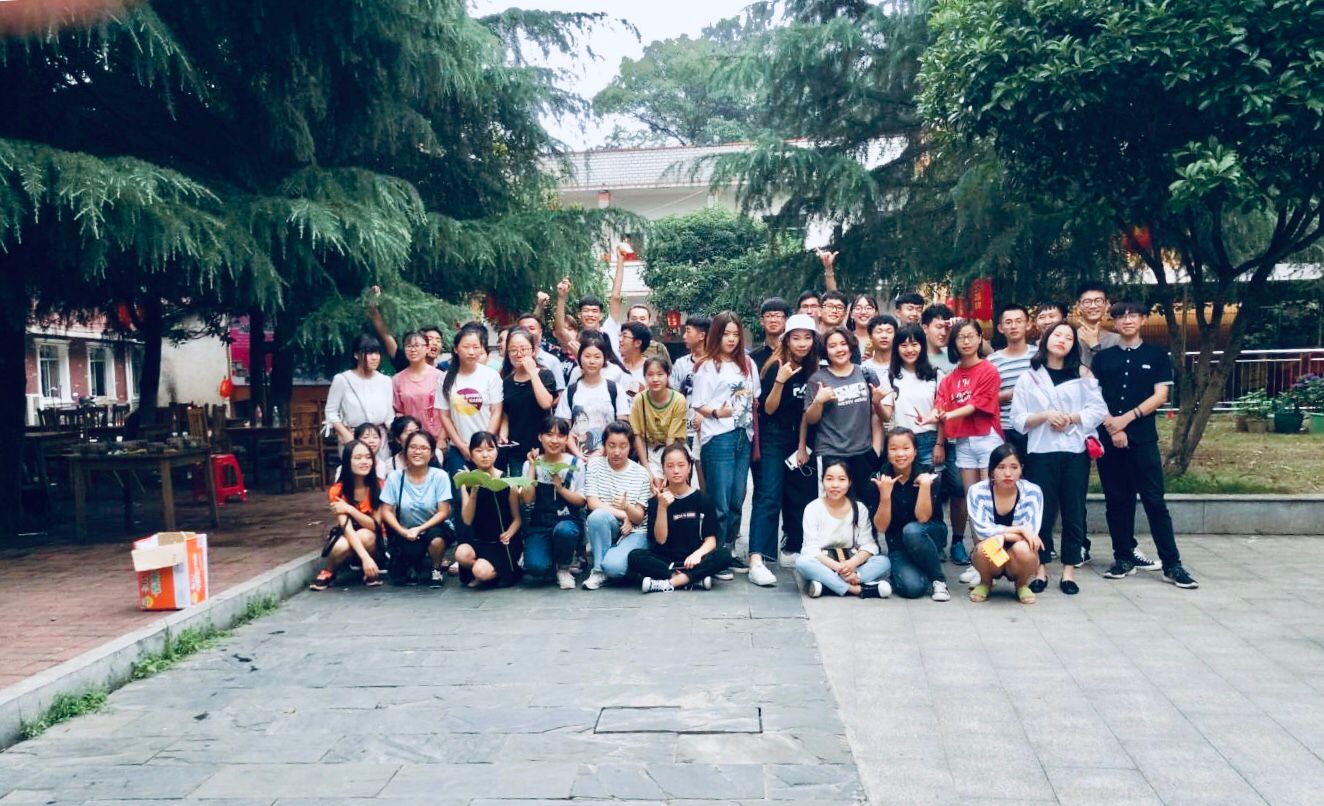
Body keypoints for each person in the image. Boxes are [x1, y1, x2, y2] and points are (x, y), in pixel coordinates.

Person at [1092, 301, 1198, 588]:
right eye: (1120, 317)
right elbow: (1093, 396)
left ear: (1143, 320)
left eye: (1133, 316)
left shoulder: (1157, 355)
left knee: (1154, 501)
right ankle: (1123, 557)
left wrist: (1126, 419)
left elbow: (1160, 395)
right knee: (1117, 501)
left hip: (1143, 438)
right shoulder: (1103, 358)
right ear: (1114, 322)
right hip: (1109, 438)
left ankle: (1172, 564)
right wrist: (1112, 426)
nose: (1127, 321)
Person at [1010, 322, 1108, 595]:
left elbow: (1098, 410)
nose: (1062, 340)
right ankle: (1039, 569)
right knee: (1041, 512)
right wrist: (1044, 416)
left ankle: (1069, 571)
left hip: (1074, 451)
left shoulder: (1083, 373)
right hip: (1041, 452)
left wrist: (1072, 418)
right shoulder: (1029, 377)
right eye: (1057, 335)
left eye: (1068, 337)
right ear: (1046, 339)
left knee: (1073, 510)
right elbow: (1017, 419)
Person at [920, 318, 1002, 577]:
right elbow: (940, 405)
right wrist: (932, 416)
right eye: (960, 337)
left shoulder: (989, 370)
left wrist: (945, 415)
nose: (966, 342)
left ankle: (997, 562)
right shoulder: (950, 378)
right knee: (974, 501)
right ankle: (980, 563)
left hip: (988, 438)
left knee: (990, 502)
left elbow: (976, 405)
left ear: (979, 338)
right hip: (964, 442)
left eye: (970, 336)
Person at [751, 314, 821, 585]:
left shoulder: (815, 368)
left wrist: (803, 445)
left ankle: (798, 549)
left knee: (802, 496)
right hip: (773, 436)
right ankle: (757, 558)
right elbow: (768, 409)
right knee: (769, 495)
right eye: (796, 338)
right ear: (787, 340)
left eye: (807, 337)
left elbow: (806, 412)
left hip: (801, 439)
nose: (802, 343)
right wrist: (780, 381)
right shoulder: (775, 365)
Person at [692, 311, 760, 576]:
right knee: (719, 500)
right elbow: (698, 403)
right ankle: (715, 553)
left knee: (737, 497)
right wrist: (717, 412)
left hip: (744, 434)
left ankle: (728, 550)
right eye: (725, 334)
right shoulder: (707, 366)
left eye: (735, 334)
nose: (731, 339)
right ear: (715, 336)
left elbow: (754, 396)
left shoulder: (748, 364)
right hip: (718, 436)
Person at [802, 327, 886, 515]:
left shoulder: (865, 373)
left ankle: (863, 535)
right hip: (831, 452)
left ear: (851, 346)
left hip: (863, 452)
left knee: (864, 506)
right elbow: (811, 419)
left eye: (843, 344)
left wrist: (876, 448)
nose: (839, 349)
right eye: (832, 346)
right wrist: (818, 401)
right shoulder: (818, 379)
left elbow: (876, 413)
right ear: (825, 351)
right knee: (833, 505)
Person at [630, 444, 731, 593]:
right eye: (670, 466)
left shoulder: (702, 499)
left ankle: (669, 583)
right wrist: (662, 507)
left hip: (694, 560)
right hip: (665, 561)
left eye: (681, 465)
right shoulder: (656, 502)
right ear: (663, 469)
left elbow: (711, 540)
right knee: (635, 556)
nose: (676, 470)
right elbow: (660, 540)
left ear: (689, 467)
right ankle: (691, 579)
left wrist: (698, 554)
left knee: (724, 555)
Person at [872, 428, 950, 601]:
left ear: (915, 451)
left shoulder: (929, 474)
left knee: (912, 531)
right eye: (893, 449)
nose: (900, 454)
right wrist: (885, 496)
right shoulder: (880, 478)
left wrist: (925, 486)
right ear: (887, 452)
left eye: (906, 448)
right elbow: (881, 527)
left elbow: (923, 518)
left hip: (928, 534)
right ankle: (917, 567)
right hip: (898, 544)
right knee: (913, 588)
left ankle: (938, 579)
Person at [796, 459, 892, 599]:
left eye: (841, 479)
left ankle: (827, 586)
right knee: (802, 562)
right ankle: (856, 589)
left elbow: (869, 545)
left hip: (852, 562)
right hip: (825, 563)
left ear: (850, 482)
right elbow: (810, 548)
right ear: (822, 481)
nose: (835, 485)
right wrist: (838, 568)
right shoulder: (813, 508)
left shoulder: (859, 508)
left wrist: (851, 564)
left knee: (884, 562)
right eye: (829, 479)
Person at [966, 444, 1045, 604]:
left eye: (1014, 467)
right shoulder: (977, 491)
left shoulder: (1033, 492)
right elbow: (982, 531)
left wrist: (1004, 535)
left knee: (1025, 548)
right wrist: (1020, 529)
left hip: (1018, 555)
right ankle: (985, 582)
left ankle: (1021, 584)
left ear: (1021, 469)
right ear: (991, 471)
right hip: (991, 555)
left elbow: (1031, 534)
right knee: (986, 546)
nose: (1008, 473)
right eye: (1001, 467)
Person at [583, 422, 653, 589]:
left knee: (614, 569)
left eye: (623, 446)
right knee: (597, 516)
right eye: (611, 445)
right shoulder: (595, 465)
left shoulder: (641, 473)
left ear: (630, 447)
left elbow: (638, 518)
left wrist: (627, 508)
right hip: (610, 524)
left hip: (635, 531)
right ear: (604, 445)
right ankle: (598, 570)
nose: (616, 452)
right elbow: (593, 502)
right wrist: (623, 514)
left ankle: (621, 564)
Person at [381, 430, 454, 587]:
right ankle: (412, 564)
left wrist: (420, 529)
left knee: (436, 540)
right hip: (405, 529)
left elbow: (444, 512)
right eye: (413, 447)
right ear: (405, 451)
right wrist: (402, 531)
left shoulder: (439, 476)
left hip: (434, 527)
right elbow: (386, 511)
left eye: (423, 448)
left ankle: (436, 569)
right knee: (399, 577)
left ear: (431, 453)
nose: (417, 452)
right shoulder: (395, 477)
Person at [520, 416, 586, 589]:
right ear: (540, 437)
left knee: (565, 531)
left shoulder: (575, 463)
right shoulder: (530, 464)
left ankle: (564, 567)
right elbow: (528, 499)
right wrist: (532, 466)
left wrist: (561, 489)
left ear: (567, 438)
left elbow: (581, 501)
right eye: (549, 435)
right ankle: (548, 562)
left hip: (567, 520)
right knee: (536, 567)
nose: (555, 440)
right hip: (540, 523)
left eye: (560, 435)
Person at [311, 440, 384, 590]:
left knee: (365, 535)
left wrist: (350, 510)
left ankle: (369, 567)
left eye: (368, 457)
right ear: (347, 462)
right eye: (358, 458)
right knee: (340, 545)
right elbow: (347, 528)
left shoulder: (380, 485)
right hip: (348, 536)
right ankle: (329, 571)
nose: (364, 462)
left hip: (374, 542)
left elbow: (375, 526)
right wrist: (364, 557)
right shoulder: (338, 490)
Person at [454, 432, 524, 588]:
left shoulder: (508, 481)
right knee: (461, 553)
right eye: (479, 450)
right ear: (471, 454)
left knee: (480, 571)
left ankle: (497, 572)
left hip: (503, 543)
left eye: (490, 449)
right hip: (481, 541)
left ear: (497, 452)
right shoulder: (467, 482)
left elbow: (517, 519)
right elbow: (467, 519)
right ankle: (487, 572)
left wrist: (509, 533)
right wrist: (473, 492)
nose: (485, 455)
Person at [438, 323, 505, 475]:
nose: (471, 352)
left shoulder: (491, 376)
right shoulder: (445, 378)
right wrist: (461, 445)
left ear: (482, 348)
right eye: (466, 347)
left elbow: (496, 412)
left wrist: (484, 446)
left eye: (476, 347)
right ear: (456, 349)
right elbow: (444, 416)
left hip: (487, 450)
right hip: (459, 448)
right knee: (460, 488)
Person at [493, 327, 557, 474]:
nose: (519, 354)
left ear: (533, 351)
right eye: (513, 350)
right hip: (516, 448)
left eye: (523, 349)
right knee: (520, 485)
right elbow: (506, 413)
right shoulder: (507, 381)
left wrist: (532, 373)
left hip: (542, 446)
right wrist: (503, 433)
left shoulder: (545, 375)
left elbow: (546, 403)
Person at [325, 334, 394, 466]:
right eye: (369, 353)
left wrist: (402, 430)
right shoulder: (342, 379)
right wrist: (345, 434)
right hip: (353, 437)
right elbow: (331, 412)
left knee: (381, 473)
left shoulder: (385, 381)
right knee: (356, 472)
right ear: (356, 355)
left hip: (379, 439)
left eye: (377, 353)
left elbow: (389, 415)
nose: (375, 357)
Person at [556, 337, 630, 458]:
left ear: (604, 359)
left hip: (609, 458)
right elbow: (563, 429)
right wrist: (578, 455)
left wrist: (603, 450)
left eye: (597, 357)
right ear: (579, 358)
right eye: (587, 356)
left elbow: (623, 426)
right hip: (577, 458)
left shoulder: (615, 389)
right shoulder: (570, 391)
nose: (592, 361)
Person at [554, 242, 629, 356]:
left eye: (594, 311)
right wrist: (561, 297)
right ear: (579, 315)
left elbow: (615, 297)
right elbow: (560, 330)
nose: (590, 314)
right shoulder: (576, 341)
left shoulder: (609, 330)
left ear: (601, 315)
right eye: (586, 311)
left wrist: (620, 261)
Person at [884, 324, 943, 467]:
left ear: (922, 346)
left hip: (929, 439)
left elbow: (942, 412)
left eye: (914, 344)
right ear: (896, 348)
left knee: (931, 479)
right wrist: (876, 402)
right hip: (900, 440)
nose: (909, 350)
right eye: (903, 345)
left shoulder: (935, 375)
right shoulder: (890, 376)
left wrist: (940, 444)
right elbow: (886, 415)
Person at [988, 304, 1036, 458]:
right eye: (1008, 322)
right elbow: (984, 400)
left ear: (1028, 324)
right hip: (1006, 427)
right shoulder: (992, 361)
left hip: (1035, 425)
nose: (1013, 326)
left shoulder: (1039, 356)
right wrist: (1008, 395)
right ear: (1000, 328)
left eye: (1018, 321)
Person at [630, 356, 688, 480]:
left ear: (668, 375)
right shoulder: (639, 400)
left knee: (675, 483)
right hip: (649, 450)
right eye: (650, 375)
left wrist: (667, 471)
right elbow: (637, 435)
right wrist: (646, 468)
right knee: (650, 484)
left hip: (674, 449)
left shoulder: (678, 400)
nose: (655, 379)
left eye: (660, 374)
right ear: (644, 377)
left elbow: (671, 438)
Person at [366, 286, 446, 371]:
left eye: (438, 340)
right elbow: (384, 333)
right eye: (430, 339)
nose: (435, 343)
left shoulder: (442, 372)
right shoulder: (404, 362)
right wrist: (373, 301)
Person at [391, 330, 445, 445]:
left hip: (436, 438)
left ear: (426, 348)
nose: (413, 350)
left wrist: (442, 438)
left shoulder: (440, 377)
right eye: (409, 346)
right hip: (410, 441)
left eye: (417, 346)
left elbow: (447, 411)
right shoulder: (397, 380)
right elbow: (399, 412)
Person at [861, 314, 898, 454]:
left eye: (889, 331)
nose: (884, 336)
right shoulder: (863, 368)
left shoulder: (903, 366)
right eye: (879, 331)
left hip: (900, 432)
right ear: (870, 336)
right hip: (869, 434)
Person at [516, 310, 567, 392]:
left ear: (540, 332)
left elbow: (560, 393)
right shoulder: (512, 358)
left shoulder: (552, 361)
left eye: (531, 328)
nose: (527, 332)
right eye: (522, 329)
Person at [1074, 282, 1122, 370]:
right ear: (1078, 305)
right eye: (1087, 302)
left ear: (1107, 305)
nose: (1093, 306)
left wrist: (1094, 345)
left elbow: (1116, 373)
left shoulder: (1117, 340)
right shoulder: (1069, 337)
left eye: (1098, 301)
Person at [751, 297, 791, 369]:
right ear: (761, 321)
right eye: (768, 316)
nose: (773, 320)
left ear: (786, 320)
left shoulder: (793, 353)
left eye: (778, 316)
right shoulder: (752, 357)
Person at [616, 321, 651, 400]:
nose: (620, 339)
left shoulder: (650, 368)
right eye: (620, 335)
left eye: (624, 336)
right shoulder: (614, 365)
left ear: (637, 343)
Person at [921, 304, 955, 373]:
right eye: (939, 327)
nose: (943, 333)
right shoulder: (916, 357)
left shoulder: (954, 355)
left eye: (947, 328)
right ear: (925, 328)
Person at [849, 294, 881, 358]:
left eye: (868, 308)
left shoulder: (882, 339)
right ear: (851, 314)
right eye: (858, 308)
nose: (863, 312)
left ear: (876, 313)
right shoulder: (844, 339)